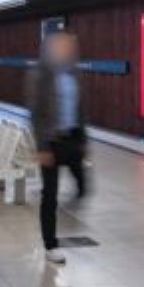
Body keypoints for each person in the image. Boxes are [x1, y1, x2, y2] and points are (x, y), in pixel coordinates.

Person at [26, 30, 87, 265]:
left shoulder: (74, 73)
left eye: (71, 46)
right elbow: (35, 112)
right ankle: (50, 245)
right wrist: (41, 147)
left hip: (72, 138)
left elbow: (80, 109)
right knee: (49, 195)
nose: (69, 50)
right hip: (51, 141)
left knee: (84, 186)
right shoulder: (40, 74)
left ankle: (72, 203)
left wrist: (84, 140)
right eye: (64, 45)